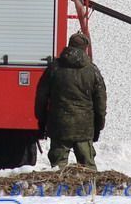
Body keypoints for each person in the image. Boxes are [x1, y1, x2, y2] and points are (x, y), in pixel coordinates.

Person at [34, 31, 107, 168]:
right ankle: (88, 189)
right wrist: (99, 125)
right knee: (88, 168)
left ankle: (59, 189)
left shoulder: (54, 68)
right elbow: (100, 102)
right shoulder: (92, 70)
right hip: (84, 127)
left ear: (68, 46)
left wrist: (42, 121)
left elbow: (41, 97)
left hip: (59, 125)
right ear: (85, 48)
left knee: (57, 168)